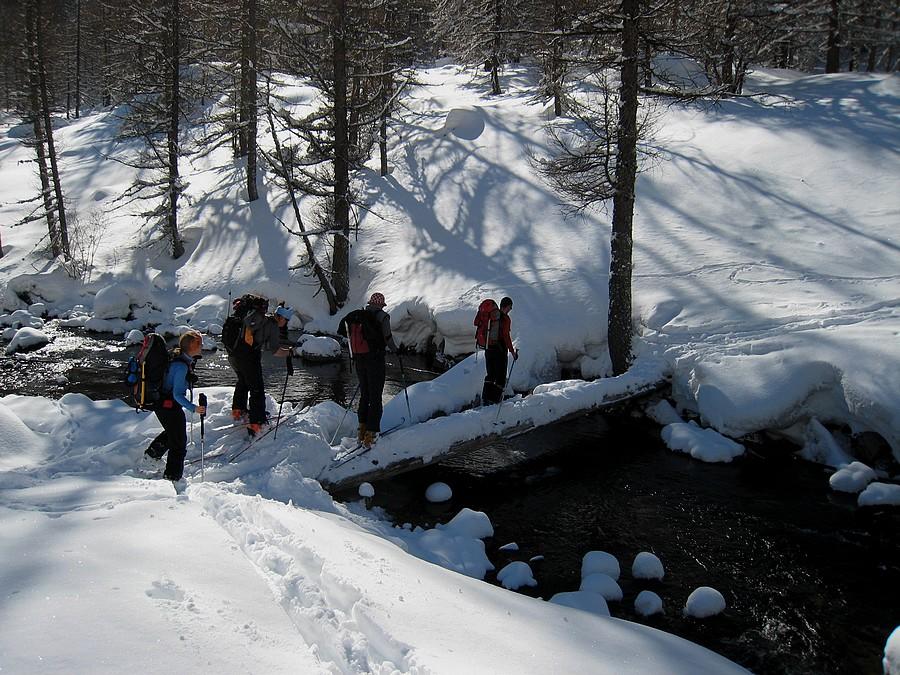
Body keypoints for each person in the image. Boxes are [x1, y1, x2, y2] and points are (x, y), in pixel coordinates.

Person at [144, 330, 206, 482]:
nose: (202, 346)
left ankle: (151, 456)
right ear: (192, 345)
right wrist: (194, 408)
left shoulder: (180, 359)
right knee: (179, 442)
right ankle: (173, 477)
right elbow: (178, 395)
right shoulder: (181, 366)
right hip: (168, 405)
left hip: (162, 403)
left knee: (173, 432)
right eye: (200, 343)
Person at [229, 302, 294, 436]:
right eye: (286, 320)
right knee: (257, 388)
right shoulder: (273, 325)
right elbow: (275, 351)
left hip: (234, 353)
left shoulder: (260, 320)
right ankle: (257, 424)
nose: (286, 323)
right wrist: (290, 352)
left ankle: (238, 411)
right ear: (281, 317)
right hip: (248, 356)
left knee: (243, 381)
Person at [342, 292, 398, 448]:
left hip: (359, 360)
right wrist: (396, 350)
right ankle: (372, 435)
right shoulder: (382, 317)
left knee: (365, 395)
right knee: (375, 396)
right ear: (381, 304)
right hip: (375, 360)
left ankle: (362, 430)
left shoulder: (359, 316)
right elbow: (387, 338)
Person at [482, 296, 517, 405]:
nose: (510, 310)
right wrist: (512, 352)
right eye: (510, 308)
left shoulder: (491, 317)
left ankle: (485, 399)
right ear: (506, 306)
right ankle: (495, 401)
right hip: (499, 350)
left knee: (490, 374)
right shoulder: (505, 319)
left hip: (488, 348)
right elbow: (506, 336)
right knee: (500, 376)